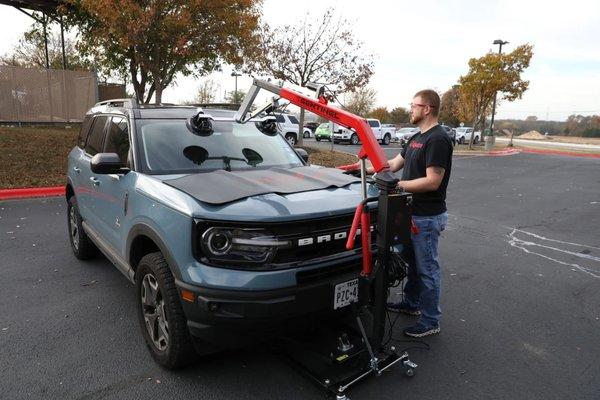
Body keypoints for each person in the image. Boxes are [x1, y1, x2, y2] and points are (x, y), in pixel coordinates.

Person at [369, 89, 453, 337]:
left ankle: (430, 321)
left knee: (427, 269)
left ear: (427, 109)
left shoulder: (438, 139)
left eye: (414, 105)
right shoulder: (417, 137)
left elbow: (432, 181)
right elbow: (393, 165)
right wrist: (366, 166)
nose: (410, 109)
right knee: (413, 265)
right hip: (410, 213)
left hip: (426, 216)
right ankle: (411, 304)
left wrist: (396, 185)